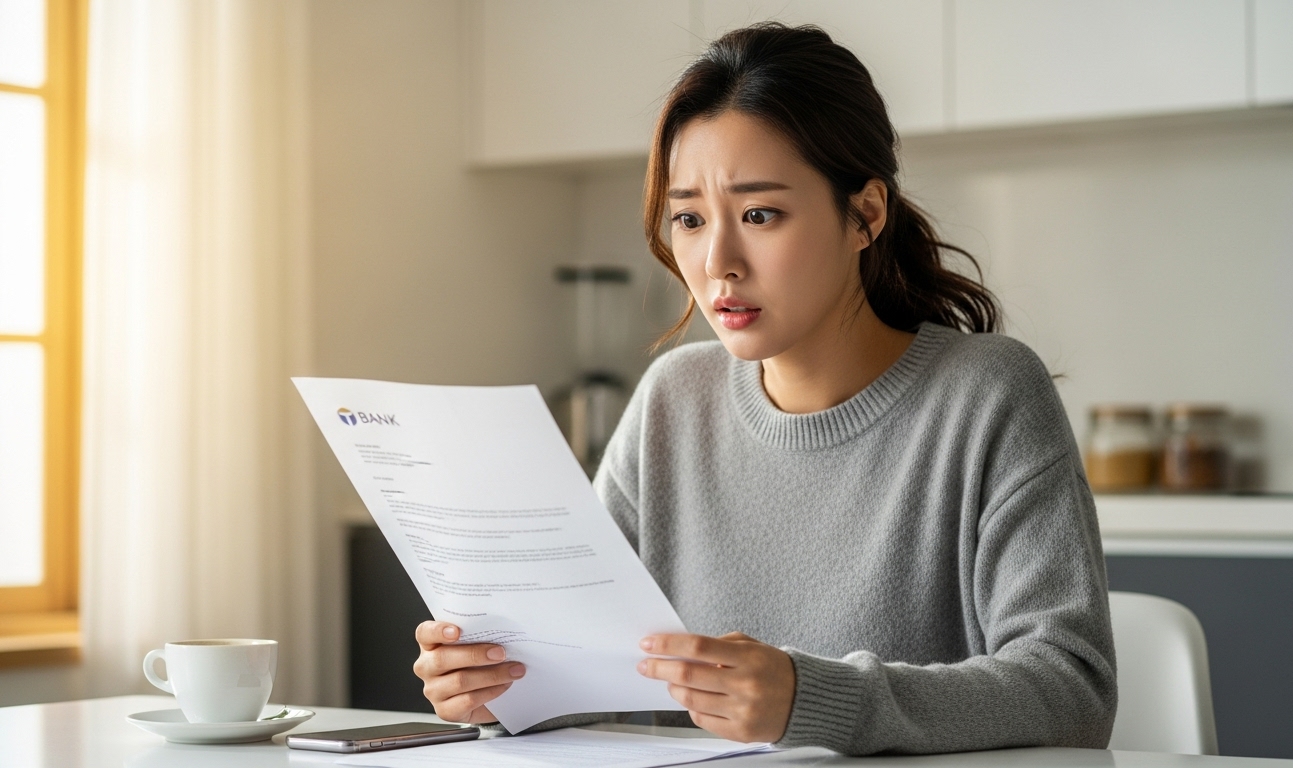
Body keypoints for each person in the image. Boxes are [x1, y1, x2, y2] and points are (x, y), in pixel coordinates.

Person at [412, 23, 1117, 756]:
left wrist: (815, 699)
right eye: (688, 218)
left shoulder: (989, 394)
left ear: (865, 215)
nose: (718, 260)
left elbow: (1071, 689)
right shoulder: (672, 400)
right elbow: (589, 666)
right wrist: (499, 686)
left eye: (759, 214)